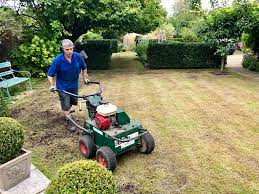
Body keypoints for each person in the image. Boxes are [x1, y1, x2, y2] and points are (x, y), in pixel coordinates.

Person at [47, 39, 89, 132]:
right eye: (67, 49)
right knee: (66, 105)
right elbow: (50, 74)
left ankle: (68, 114)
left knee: (74, 102)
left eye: (71, 49)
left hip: (74, 85)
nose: (69, 51)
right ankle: (70, 121)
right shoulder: (57, 60)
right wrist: (52, 85)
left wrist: (85, 78)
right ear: (62, 49)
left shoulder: (77, 56)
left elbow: (84, 67)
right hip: (63, 87)